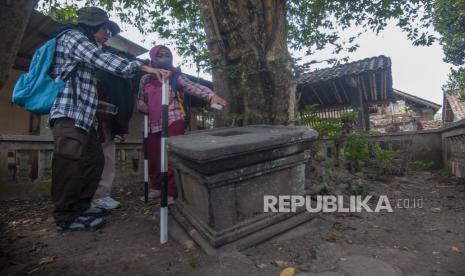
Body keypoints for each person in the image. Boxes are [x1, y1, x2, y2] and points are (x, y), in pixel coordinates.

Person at [49, 7, 169, 232]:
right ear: (92, 25)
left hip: (85, 118)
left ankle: (83, 207)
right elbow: (101, 59)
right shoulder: (71, 36)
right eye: (105, 29)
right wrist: (142, 66)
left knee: (95, 161)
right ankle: (65, 216)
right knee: (69, 164)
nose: (107, 35)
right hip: (68, 113)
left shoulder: (90, 45)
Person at [137, 45, 226, 204]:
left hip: (173, 118)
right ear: (153, 57)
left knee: (172, 157)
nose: (165, 57)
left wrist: (211, 96)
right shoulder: (145, 79)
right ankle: (157, 187)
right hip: (152, 122)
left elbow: (193, 87)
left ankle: (172, 191)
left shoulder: (175, 76)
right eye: (161, 55)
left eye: (168, 54)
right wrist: (141, 105)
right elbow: (140, 99)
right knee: (153, 157)